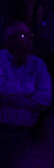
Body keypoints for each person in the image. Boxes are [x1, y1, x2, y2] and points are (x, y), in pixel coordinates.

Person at [0, 20, 50, 160]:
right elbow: (1, 88)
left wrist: (8, 100)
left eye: (30, 36)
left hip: (27, 135)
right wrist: (30, 90)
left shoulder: (39, 65)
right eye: (22, 36)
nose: (27, 40)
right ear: (10, 39)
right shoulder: (1, 59)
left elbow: (45, 99)